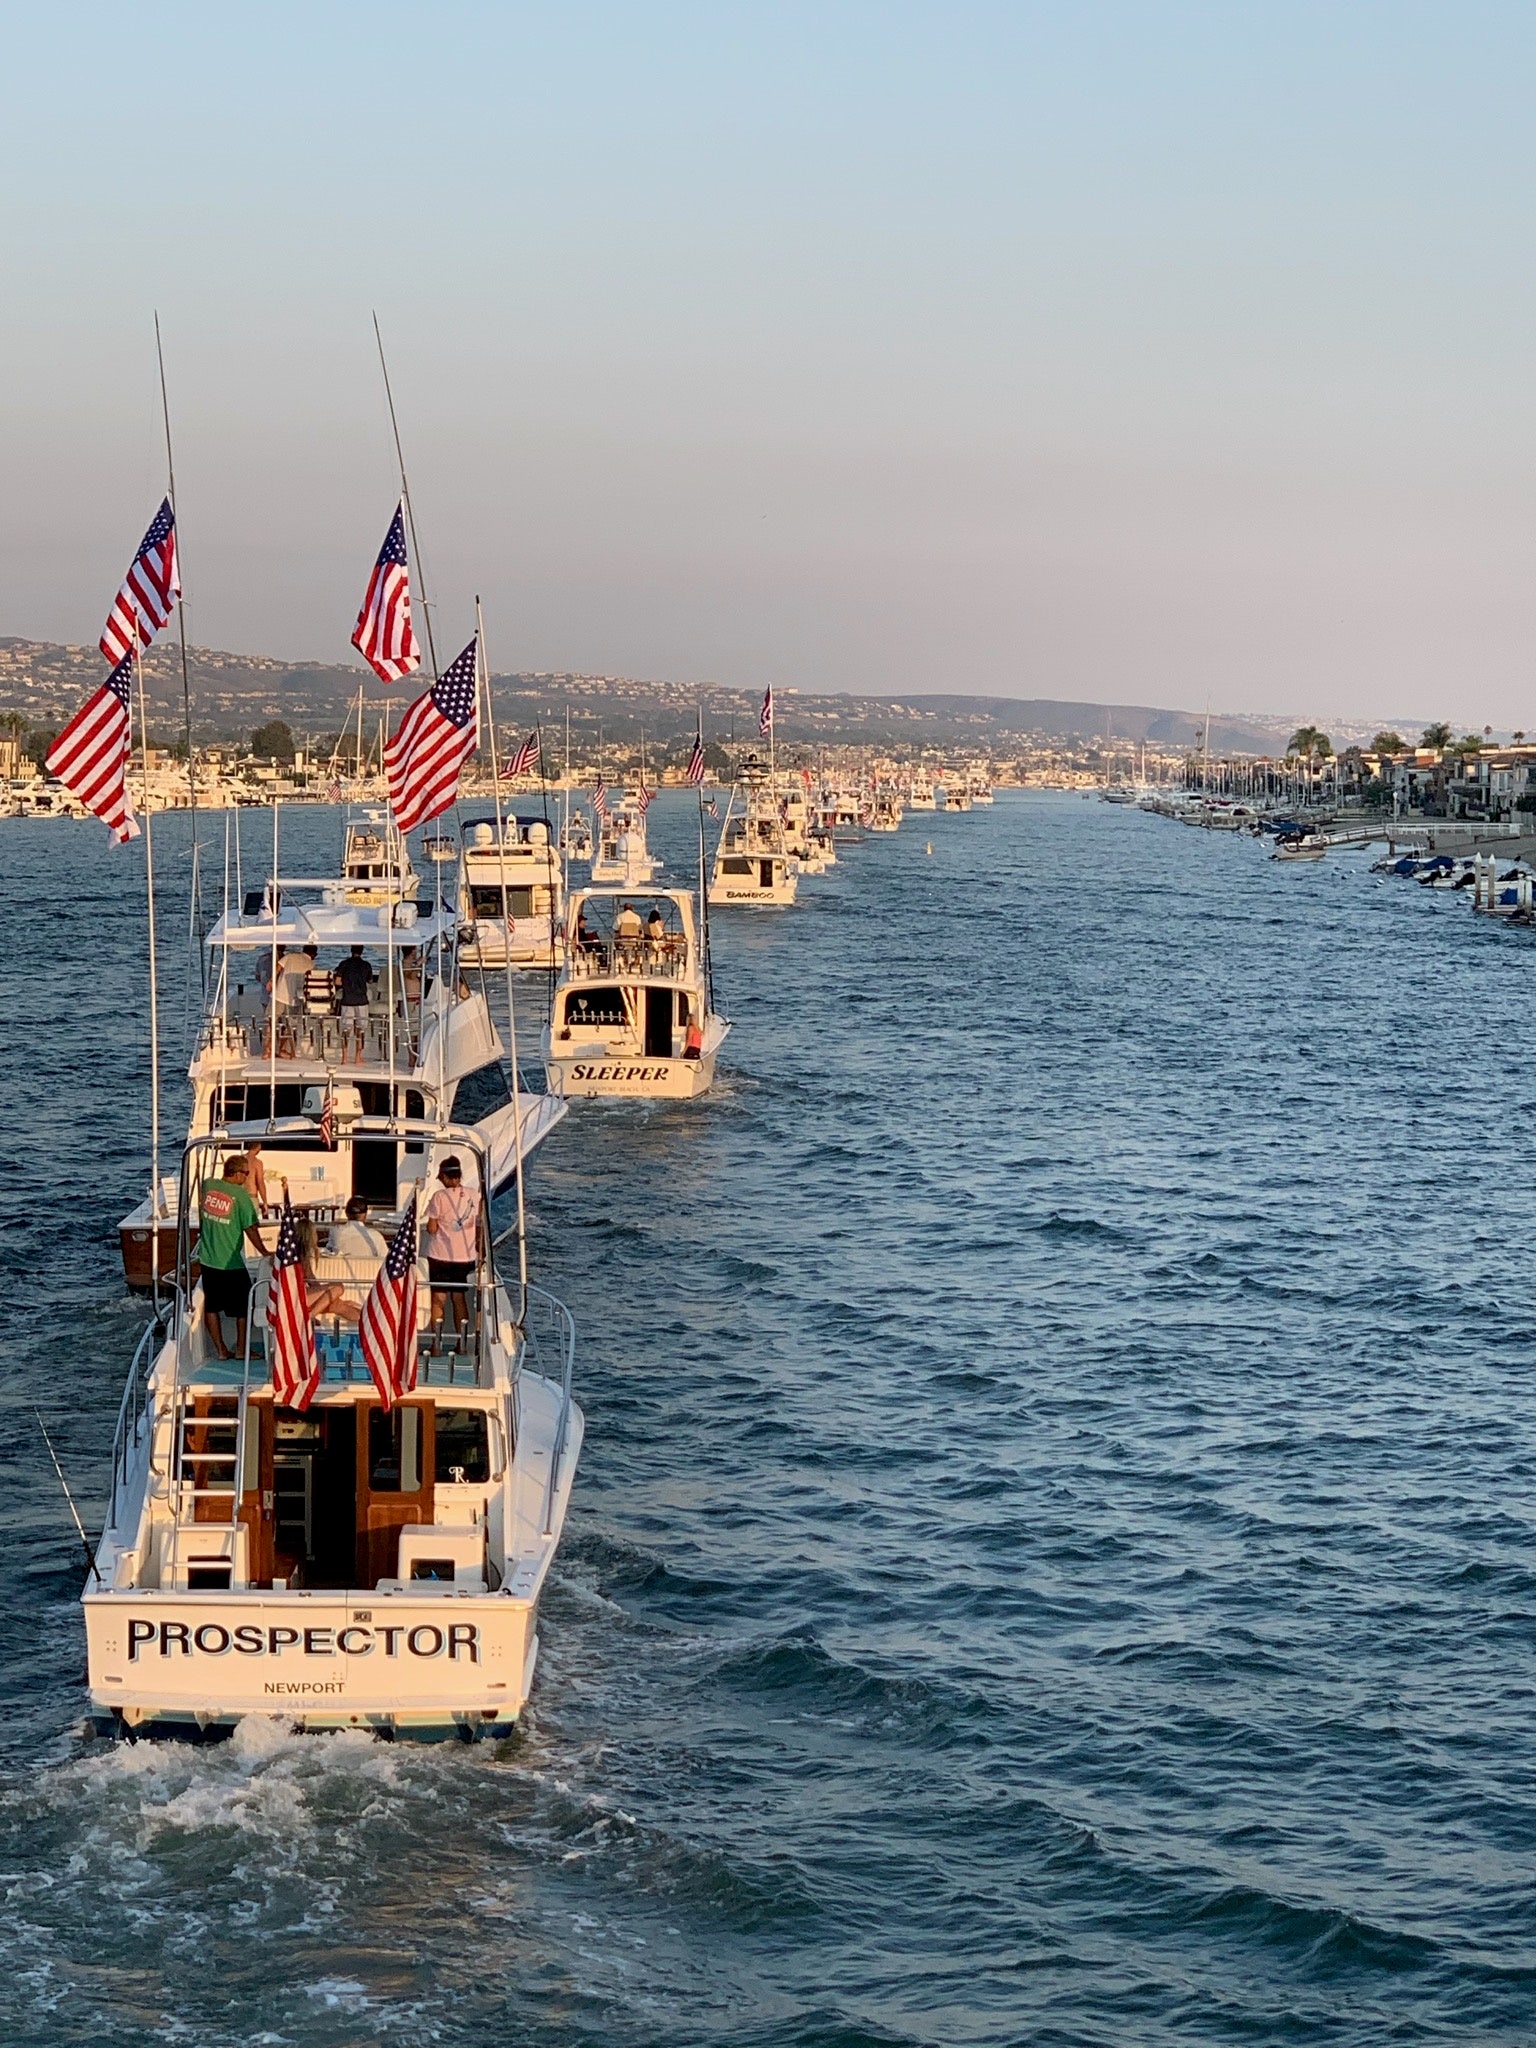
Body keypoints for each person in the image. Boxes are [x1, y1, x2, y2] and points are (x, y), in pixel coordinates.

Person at [197, 1154, 270, 1360]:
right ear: (237, 1173)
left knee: (212, 1306)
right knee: (244, 1306)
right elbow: (250, 1229)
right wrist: (264, 1251)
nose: (247, 1178)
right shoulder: (240, 1196)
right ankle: (241, 1349)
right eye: (246, 1174)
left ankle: (220, 1350)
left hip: (207, 1258)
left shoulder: (208, 1185)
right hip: (231, 1262)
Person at [423, 1156, 477, 1345]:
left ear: (446, 1177)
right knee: (459, 1298)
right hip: (465, 1257)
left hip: (440, 1255)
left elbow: (431, 1228)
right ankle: (461, 1344)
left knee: (438, 1298)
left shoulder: (439, 1197)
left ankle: (436, 1346)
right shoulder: (473, 1194)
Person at [335, 944, 376, 1062]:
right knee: (361, 1029)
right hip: (361, 1000)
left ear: (351, 950)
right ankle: (358, 1056)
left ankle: (345, 1057)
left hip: (347, 1000)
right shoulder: (366, 965)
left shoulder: (344, 964)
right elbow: (370, 980)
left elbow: (337, 982)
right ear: (362, 951)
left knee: (346, 1029)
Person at [330, 1194, 388, 1266]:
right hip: (369, 1273)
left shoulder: (336, 1231)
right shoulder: (376, 1236)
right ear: (365, 1215)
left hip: (341, 1272)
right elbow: (385, 1260)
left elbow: (330, 1251)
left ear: (346, 1213)